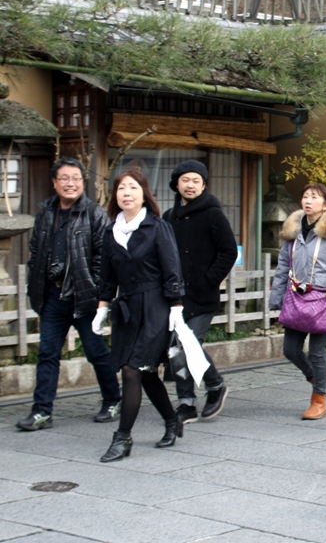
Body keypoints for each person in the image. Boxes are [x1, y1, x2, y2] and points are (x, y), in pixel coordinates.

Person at [17, 157, 121, 431]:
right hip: (52, 296)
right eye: (64, 178)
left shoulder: (94, 213)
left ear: (82, 181)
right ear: (54, 182)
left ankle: (113, 400)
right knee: (47, 354)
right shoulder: (45, 214)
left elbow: (103, 257)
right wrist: (34, 286)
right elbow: (36, 254)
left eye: (75, 178)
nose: (70, 183)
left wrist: (99, 295)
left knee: (96, 352)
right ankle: (42, 411)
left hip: (84, 298)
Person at [93, 170, 186, 462]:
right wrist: (102, 308)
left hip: (156, 306)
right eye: (121, 188)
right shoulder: (110, 232)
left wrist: (176, 307)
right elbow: (107, 277)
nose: (126, 193)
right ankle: (172, 420)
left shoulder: (157, 227)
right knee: (144, 374)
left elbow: (172, 268)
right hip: (127, 309)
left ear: (144, 194)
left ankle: (122, 439)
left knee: (132, 370)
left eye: (132, 187)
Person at [163, 160, 236, 424]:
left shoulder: (212, 214)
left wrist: (209, 280)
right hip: (175, 297)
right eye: (185, 180)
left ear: (203, 185)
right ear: (176, 184)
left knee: (187, 343)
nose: (190, 185)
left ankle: (215, 385)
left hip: (202, 296)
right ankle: (186, 403)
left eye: (196, 180)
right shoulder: (168, 217)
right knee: (175, 350)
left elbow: (228, 251)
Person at [270, 183, 326, 420]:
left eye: (315, 197)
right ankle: (317, 377)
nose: (308, 200)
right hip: (296, 297)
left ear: (325, 205)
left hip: (324, 299)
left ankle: (319, 400)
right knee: (290, 350)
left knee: (316, 352)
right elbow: (284, 265)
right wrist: (276, 298)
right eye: (305, 196)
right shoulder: (292, 230)